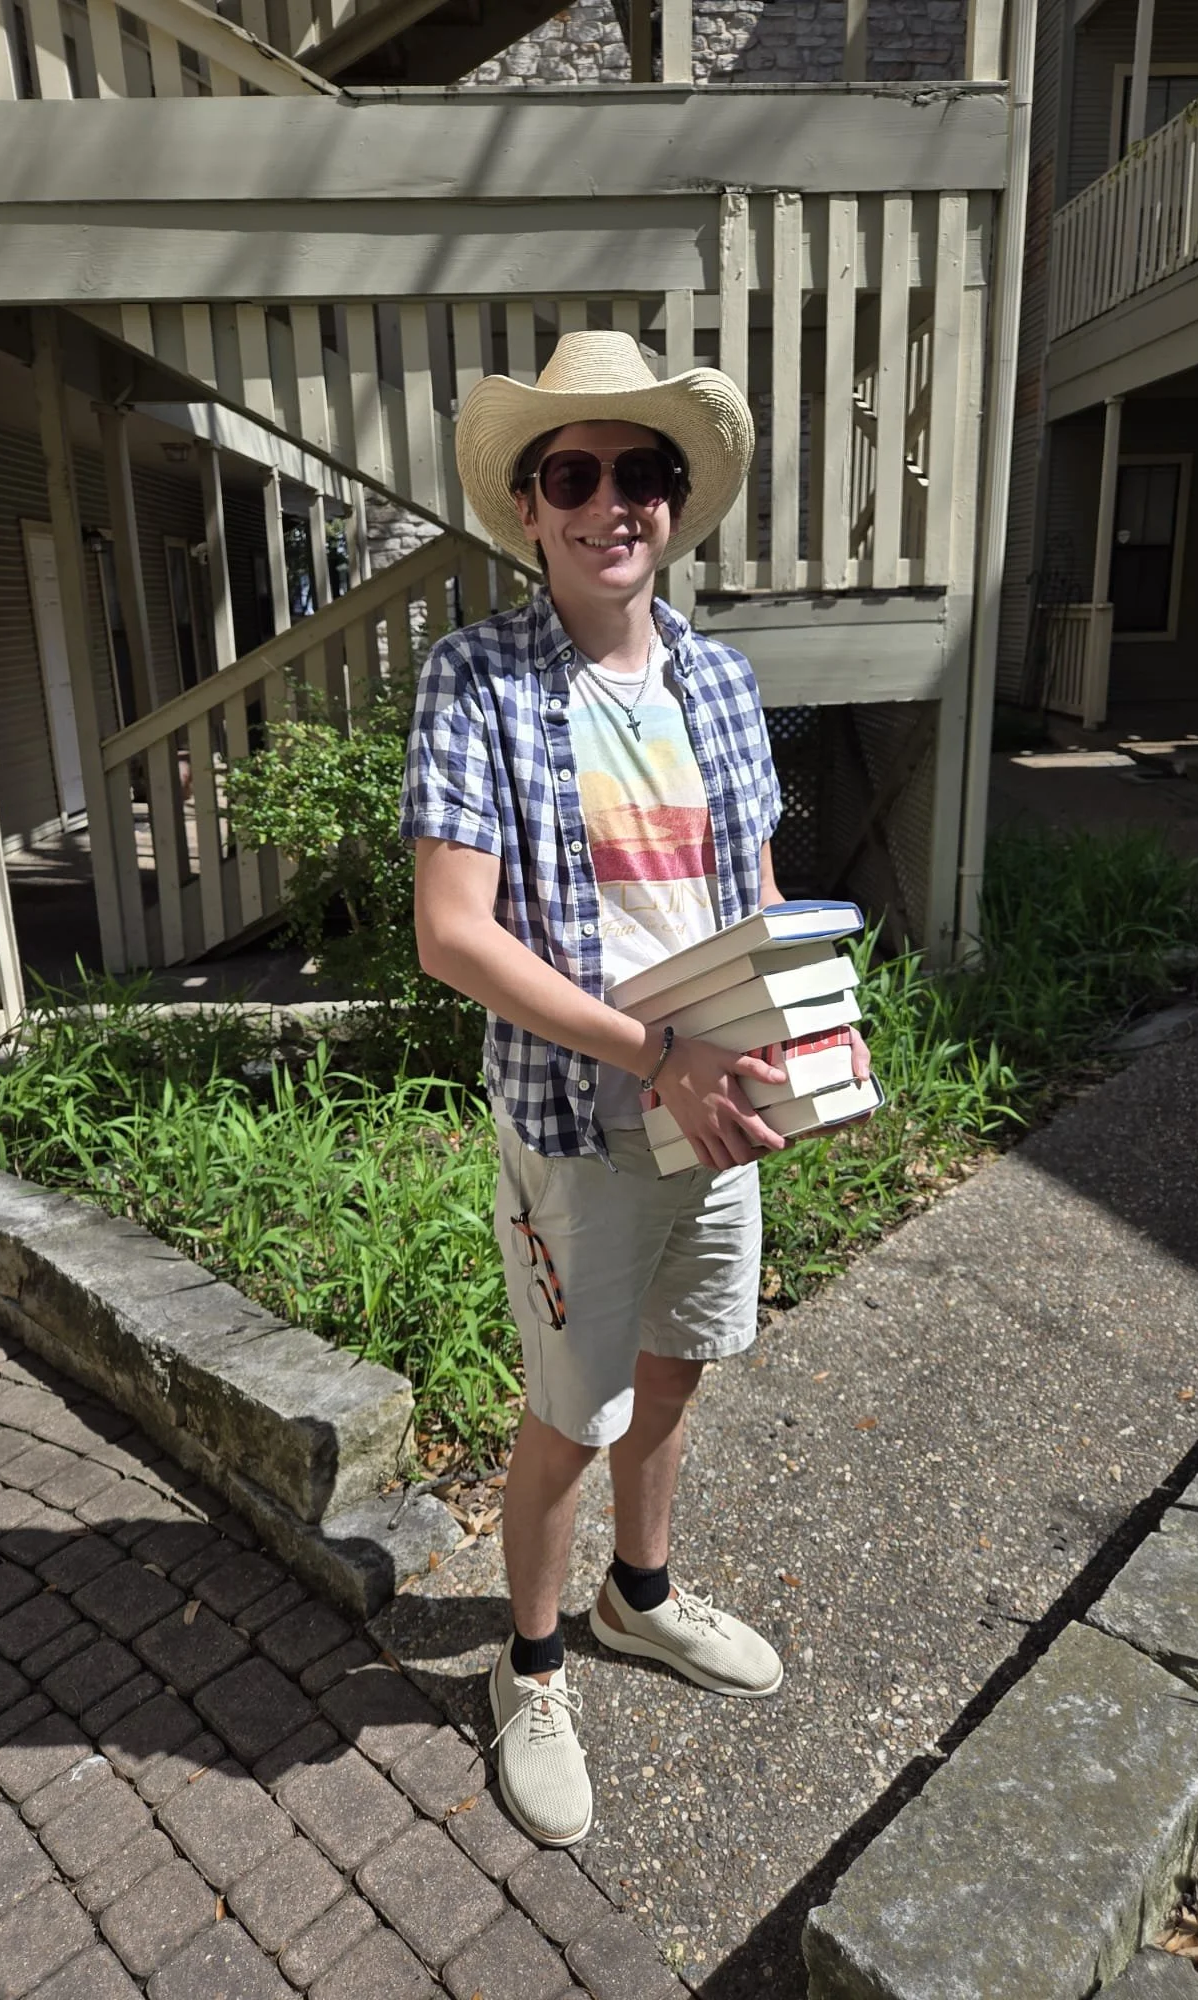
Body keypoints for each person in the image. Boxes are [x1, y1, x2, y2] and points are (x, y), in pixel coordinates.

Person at [400, 330, 869, 1848]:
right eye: (577, 474)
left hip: (718, 1101)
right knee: (572, 1414)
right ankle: (531, 1670)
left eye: (646, 473)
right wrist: (658, 1051)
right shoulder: (476, 678)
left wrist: (783, 1050)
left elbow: (759, 883)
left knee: (680, 1364)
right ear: (531, 507)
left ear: (678, 501)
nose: (617, 503)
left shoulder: (722, 683)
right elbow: (452, 933)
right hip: (582, 1115)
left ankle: (636, 1599)